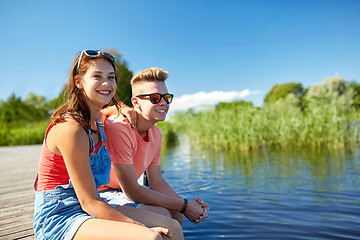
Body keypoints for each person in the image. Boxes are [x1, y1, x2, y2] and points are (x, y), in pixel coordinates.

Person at [33, 50, 184, 240]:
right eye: (97, 76)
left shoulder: (99, 121)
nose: (106, 83)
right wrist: (140, 227)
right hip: (61, 216)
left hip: (93, 204)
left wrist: (122, 107)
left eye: (111, 77)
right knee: (150, 238)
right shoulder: (71, 129)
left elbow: (109, 110)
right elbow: (89, 202)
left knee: (172, 226)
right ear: (78, 81)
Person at [99, 67, 209, 225]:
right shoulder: (120, 127)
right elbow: (131, 191)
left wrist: (187, 204)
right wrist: (185, 205)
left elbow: (156, 181)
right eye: (156, 97)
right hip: (101, 192)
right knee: (163, 215)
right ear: (136, 102)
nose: (163, 103)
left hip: (122, 191)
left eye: (167, 97)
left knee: (177, 214)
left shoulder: (157, 133)